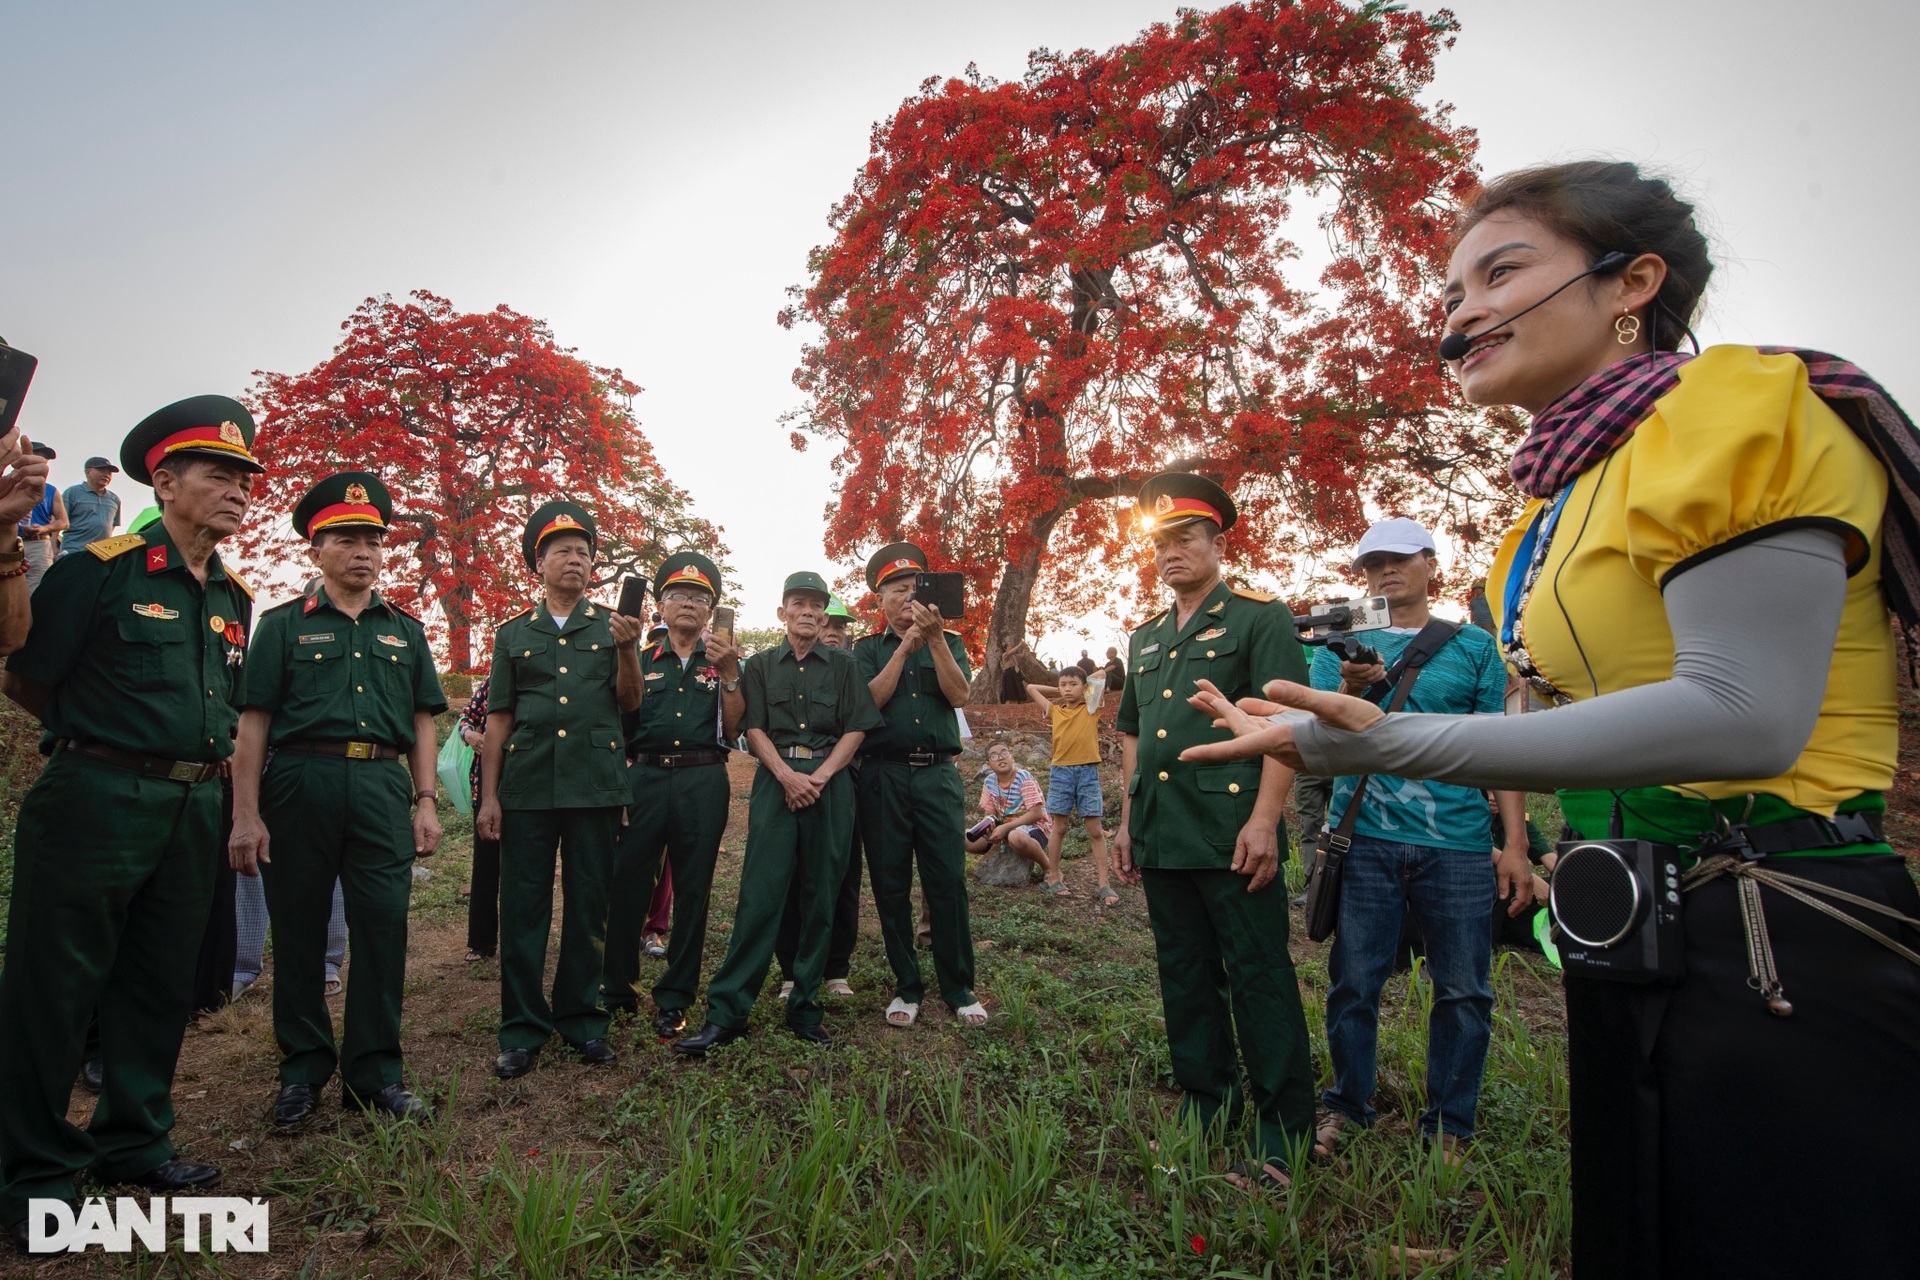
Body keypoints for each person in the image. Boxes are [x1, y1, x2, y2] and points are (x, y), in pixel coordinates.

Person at [1182, 161, 1920, 1278]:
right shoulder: (1551, 505)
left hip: (1773, 924)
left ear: (1633, 283)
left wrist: (1390, 745)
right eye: (1449, 293)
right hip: (1622, 917)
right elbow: (1552, 709)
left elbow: (1743, 715)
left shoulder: (1738, 409)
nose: (1460, 313)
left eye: (1501, 271)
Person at [0, 396, 261, 1252]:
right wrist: (105, 739)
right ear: (166, 480)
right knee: (55, 987)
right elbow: (29, 675)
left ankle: (133, 1142)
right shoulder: (100, 569)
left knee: (157, 983)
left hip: (193, 806)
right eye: (218, 475)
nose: (236, 491)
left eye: (243, 479)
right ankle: (34, 1174)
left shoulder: (232, 595)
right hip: (96, 796)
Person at [1304, 517, 1534, 1166]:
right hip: (1364, 837)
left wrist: (1514, 844)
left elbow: (1503, 753)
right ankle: (1347, 1106)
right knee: (1354, 981)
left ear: (1432, 565)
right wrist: (1350, 691)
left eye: (1400, 559)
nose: (1385, 571)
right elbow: (1326, 746)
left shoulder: (1473, 649)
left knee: (1464, 988)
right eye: (1373, 563)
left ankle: (1450, 1126)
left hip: (1459, 844)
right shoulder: (1337, 645)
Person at [1112, 471, 1315, 1194]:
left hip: (1233, 830)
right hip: (1166, 831)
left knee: (1258, 975)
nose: (1171, 553)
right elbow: (1132, 732)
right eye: (1159, 543)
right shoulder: (1146, 634)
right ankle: (1207, 1100)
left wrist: (1267, 820)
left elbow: (1285, 731)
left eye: (1185, 538)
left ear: (1215, 542)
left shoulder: (1260, 617)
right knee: (1184, 973)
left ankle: (1284, 1126)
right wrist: (1128, 819)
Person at [228, 472, 448, 1125]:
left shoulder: (405, 631)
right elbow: (254, 723)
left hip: (381, 786)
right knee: (298, 930)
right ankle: (302, 1070)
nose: (364, 553)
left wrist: (427, 799)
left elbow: (423, 721)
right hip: (298, 783)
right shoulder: (281, 626)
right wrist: (247, 812)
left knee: (382, 927)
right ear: (315, 549)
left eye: (374, 542)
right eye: (347, 539)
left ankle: (375, 1073)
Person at [673, 572, 881, 1055]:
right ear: (782, 612)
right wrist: (788, 777)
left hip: (830, 787)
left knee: (821, 895)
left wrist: (821, 777)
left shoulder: (846, 666)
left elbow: (857, 729)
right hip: (775, 784)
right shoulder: (761, 666)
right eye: (798, 604)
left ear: (825, 615)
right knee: (760, 896)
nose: (808, 612)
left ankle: (805, 1006)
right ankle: (727, 1012)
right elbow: (752, 726)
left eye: (816, 606)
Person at [475, 501, 643, 1079]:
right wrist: (490, 796)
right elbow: (499, 720)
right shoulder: (512, 634)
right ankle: (522, 1028)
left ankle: (582, 1020)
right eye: (563, 551)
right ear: (538, 562)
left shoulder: (613, 627)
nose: (577, 559)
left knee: (589, 906)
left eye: (585, 552)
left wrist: (627, 649)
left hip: (594, 786)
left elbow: (630, 703)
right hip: (526, 786)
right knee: (522, 908)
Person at [602, 551, 742, 1041]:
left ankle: (675, 996)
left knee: (694, 888)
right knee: (627, 885)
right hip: (643, 778)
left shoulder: (722, 659)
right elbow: (620, 724)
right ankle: (617, 988)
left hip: (703, 780)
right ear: (660, 605)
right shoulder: (637, 658)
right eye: (679, 595)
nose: (689, 603)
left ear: (711, 610)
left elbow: (739, 725)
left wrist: (729, 674)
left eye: (700, 597)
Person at [852, 542, 986, 1029]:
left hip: (937, 775)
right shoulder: (865, 650)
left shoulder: (948, 642)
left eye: (914, 588)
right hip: (882, 775)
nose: (907, 597)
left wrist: (929, 640)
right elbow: (867, 704)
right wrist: (905, 645)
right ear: (880, 599)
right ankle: (907, 986)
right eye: (897, 590)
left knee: (947, 880)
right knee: (890, 883)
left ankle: (957, 986)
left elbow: (960, 693)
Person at [776, 592, 864, 999]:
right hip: (804, 778)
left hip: (855, 781)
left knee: (842, 874)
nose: (833, 633)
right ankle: (791, 967)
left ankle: (836, 967)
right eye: (829, 625)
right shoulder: (788, 666)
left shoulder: (854, 667)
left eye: (840, 627)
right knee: (793, 874)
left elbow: (863, 720)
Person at [1024, 667, 1112, 901]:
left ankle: (1104, 883)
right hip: (1061, 772)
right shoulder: (1054, 710)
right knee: (1059, 827)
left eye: (1072, 684)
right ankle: (1053, 877)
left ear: (1084, 688)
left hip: (1088, 771)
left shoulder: (1092, 707)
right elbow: (1031, 688)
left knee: (1094, 829)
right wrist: (1059, 691)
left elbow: (1101, 673)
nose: (1067, 688)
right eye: (1063, 684)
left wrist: (1084, 690)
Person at [964, 741, 1050, 879]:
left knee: (1015, 837)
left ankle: (1049, 868)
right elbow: (990, 814)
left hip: (1034, 827)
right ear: (988, 764)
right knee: (965, 837)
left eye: (1004, 753)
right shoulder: (989, 782)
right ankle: (995, 849)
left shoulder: (1024, 778)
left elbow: (1036, 813)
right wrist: (988, 826)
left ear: (1012, 758)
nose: (1000, 758)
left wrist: (1006, 828)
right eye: (994, 755)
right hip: (1003, 826)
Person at [458, 676, 496, 963]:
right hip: (483, 781)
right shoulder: (489, 683)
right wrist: (470, 735)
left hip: (525, 777)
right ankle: (481, 942)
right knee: (485, 862)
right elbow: (465, 719)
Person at [17, 443, 65, 591]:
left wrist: (44, 528)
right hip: (10, 543)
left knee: (38, 593)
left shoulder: (51, 490)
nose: (42, 468)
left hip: (38, 546)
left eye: (45, 464)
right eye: (38, 462)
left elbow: (63, 522)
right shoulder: (7, 485)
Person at [58, 456, 121, 556]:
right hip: (73, 551)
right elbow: (57, 521)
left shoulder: (114, 499)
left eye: (109, 472)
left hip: (101, 554)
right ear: (87, 472)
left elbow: (111, 526)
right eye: (101, 470)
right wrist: (53, 548)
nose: (106, 475)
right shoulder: (72, 492)